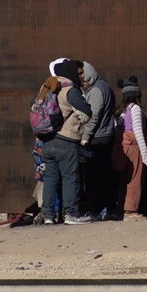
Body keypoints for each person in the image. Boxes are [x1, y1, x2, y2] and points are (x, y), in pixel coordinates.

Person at [41, 60, 94, 225]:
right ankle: (72, 214)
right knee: (70, 177)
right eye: (79, 72)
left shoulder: (46, 87)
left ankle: (48, 216)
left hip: (48, 140)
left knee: (50, 178)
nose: (82, 76)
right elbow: (86, 112)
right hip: (66, 139)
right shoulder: (70, 90)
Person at [113, 76, 147, 221]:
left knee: (124, 180)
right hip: (134, 148)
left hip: (121, 147)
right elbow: (138, 132)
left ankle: (121, 208)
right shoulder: (135, 109)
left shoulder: (120, 111)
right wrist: (145, 156)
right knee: (135, 179)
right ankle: (131, 211)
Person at [80, 62, 117, 216]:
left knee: (95, 176)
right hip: (107, 135)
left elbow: (93, 117)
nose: (81, 80)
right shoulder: (105, 86)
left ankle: (97, 209)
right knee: (107, 175)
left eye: (82, 76)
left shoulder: (96, 90)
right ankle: (110, 208)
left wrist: (85, 137)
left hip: (98, 138)